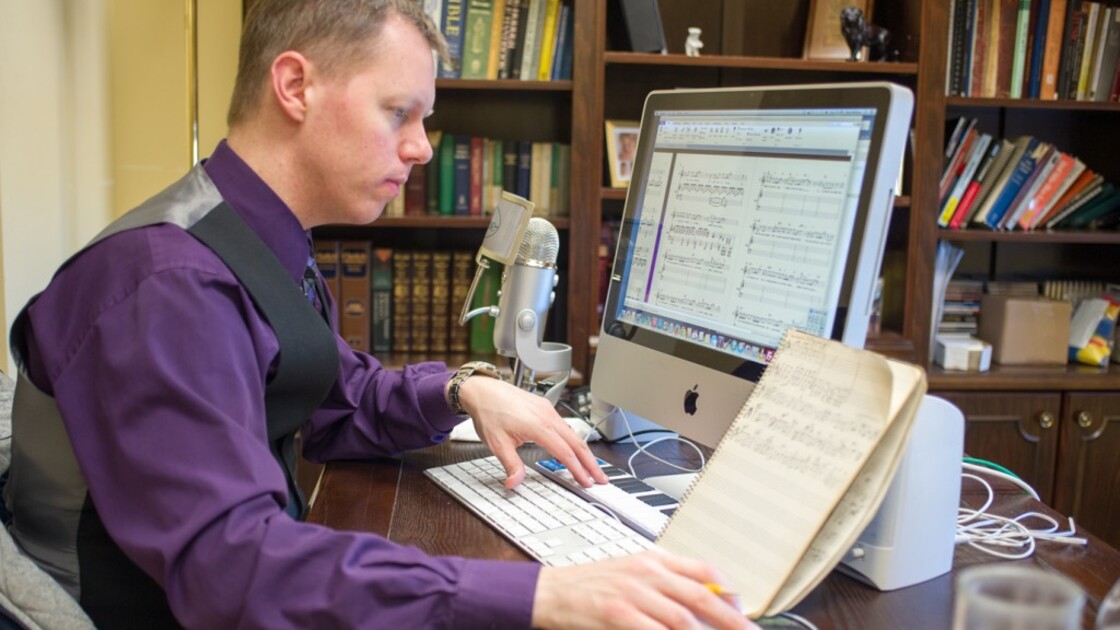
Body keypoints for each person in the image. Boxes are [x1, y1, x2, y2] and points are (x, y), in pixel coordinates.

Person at [2, 1, 752, 628]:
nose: (423, 148)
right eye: (400, 112)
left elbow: (332, 398)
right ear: (295, 85)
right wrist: (544, 594)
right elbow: (230, 570)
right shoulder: (168, 286)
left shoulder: (251, 238)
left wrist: (465, 389)